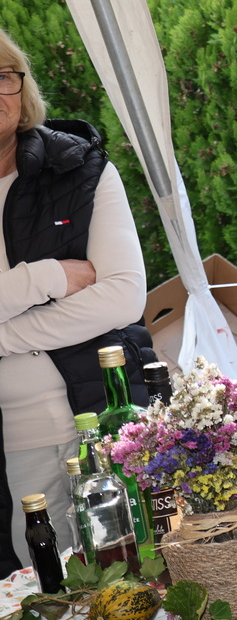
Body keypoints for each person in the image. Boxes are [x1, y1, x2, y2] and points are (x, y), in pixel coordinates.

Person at [0, 29, 152, 575]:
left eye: (4, 77)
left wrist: (3, 336)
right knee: (45, 592)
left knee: (143, 571)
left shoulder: (80, 170)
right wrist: (43, 279)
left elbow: (122, 296)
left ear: (23, 88)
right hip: (15, 447)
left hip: (104, 415)